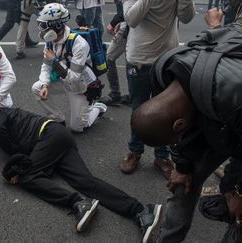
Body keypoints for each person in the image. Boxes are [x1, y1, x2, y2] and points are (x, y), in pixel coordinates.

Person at [129, 4, 242, 242]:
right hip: (212, 118)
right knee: (183, 185)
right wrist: (181, 166)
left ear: (180, 125)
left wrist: (233, 189)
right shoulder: (163, 69)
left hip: (232, 120)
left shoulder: (235, 97)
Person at [0, 106, 162, 241]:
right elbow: (19, 150)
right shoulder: (0, 127)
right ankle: (142, 211)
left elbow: (12, 145)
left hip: (48, 135)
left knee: (26, 176)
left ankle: (78, 203)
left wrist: (15, 169)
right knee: (84, 181)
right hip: (57, 138)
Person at [119, 0, 195, 179]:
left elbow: (187, 17)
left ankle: (162, 157)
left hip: (167, 59)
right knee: (138, 107)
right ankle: (135, 151)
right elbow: (131, 19)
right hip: (140, 59)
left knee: (168, 112)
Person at [31, 3, 107, 133]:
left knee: (78, 128)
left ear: (57, 26)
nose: (42, 31)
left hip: (81, 87)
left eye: (44, 26)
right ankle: (58, 118)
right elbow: (46, 66)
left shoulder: (79, 44)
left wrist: (54, 60)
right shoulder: (50, 41)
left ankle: (98, 108)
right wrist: (44, 84)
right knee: (37, 88)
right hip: (64, 79)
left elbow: (74, 78)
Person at [98, 0, 130, 106]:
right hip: (129, 24)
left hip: (129, 25)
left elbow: (128, 8)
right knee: (130, 61)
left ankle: (115, 93)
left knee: (109, 58)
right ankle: (133, 94)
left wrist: (114, 22)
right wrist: (119, 21)